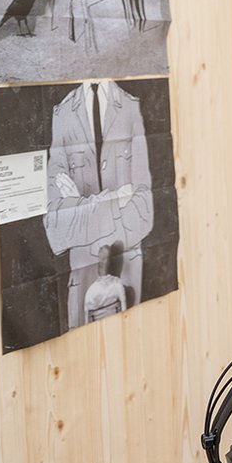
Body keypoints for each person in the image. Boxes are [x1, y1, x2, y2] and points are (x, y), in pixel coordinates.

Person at [45, 78, 153, 330]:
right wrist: (115, 201)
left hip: (127, 276)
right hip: (83, 281)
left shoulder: (129, 106)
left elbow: (144, 210)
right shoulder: (62, 114)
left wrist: (81, 208)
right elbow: (56, 226)